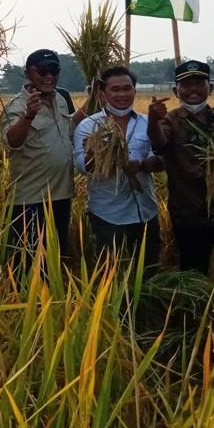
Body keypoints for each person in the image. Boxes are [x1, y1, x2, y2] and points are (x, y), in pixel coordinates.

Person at [148, 60, 214, 305]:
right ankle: (196, 329)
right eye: (185, 84)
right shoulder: (169, 121)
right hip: (190, 218)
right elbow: (159, 144)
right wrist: (152, 119)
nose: (193, 89)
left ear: (210, 88)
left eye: (199, 83)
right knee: (194, 278)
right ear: (175, 91)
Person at [74, 66, 163, 274]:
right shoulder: (88, 127)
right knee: (110, 275)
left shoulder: (147, 123)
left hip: (146, 212)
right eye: (115, 89)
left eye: (127, 88)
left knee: (148, 272)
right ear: (102, 94)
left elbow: (161, 159)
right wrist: (100, 154)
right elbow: (83, 167)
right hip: (108, 216)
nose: (122, 94)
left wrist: (142, 165)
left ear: (134, 90)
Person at [0, 49, 76, 263]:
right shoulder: (16, 106)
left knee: (55, 258)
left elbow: (68, 130)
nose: (49, 76)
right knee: (29, 263)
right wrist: (29, 115)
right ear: (28, 74)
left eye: (54, 70)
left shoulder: (60, 98)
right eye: (43, 71)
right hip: (31, 200)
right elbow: (12, 141)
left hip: (61, 195)